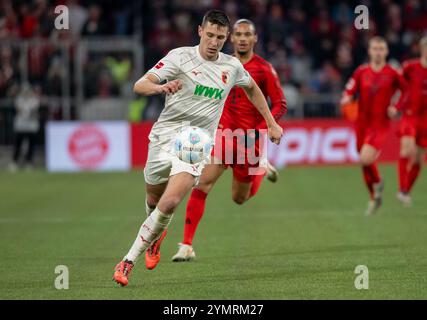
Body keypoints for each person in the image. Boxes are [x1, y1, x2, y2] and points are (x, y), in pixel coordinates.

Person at [112, 10, 283, 287]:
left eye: (220, 37)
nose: (214, 42)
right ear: (200, 31)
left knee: (170, 202)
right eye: (210, 35)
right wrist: (162, 87)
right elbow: (140, 85)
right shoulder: (179, 57)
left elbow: (252, 89)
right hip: (165, 135)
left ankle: (127, 261)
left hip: (196, 140)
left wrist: (271, 123)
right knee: (154, 202)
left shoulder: (231, 67)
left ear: (225, 38)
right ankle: (156, 238)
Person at [152, 19, 286, 264]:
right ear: (231, 38)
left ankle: (261, 170)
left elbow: (280, 103)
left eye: (248, 34)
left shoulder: (264, 69)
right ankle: (187, 245)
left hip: (249, 142)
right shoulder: (221, 64)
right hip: (221, 135)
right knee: (201, 185)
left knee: (239, 199)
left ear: (255, 39)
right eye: (238, 34)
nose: (243, 38)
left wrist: (268, 125)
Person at [340, 36, 406, 215]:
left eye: (381, 49)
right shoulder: (361, 72)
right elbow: (350, 89)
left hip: (380, 125)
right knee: (364, 162)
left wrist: (397, 107)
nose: (378, 52)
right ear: (369, 51)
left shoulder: (393, 73)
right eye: (375, 48)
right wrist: (346, 97)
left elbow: (406, 91)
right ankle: (374, 197)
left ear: (386, 51)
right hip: (361, 124)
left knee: (366, 158)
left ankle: (378, 182)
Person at [396, 36, 427, 206]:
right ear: (422, 50)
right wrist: (397, 104)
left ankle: (406, 190)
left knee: (418, 159)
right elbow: (397, 82)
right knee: (407, 151)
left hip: (426, 119)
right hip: (410, 114)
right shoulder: (410, 67)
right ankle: (402, 188)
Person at [8, 83, 40, 172]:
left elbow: (34, 109)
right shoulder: (19, 99)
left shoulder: (34, 100)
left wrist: (26, 110)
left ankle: (29, 162)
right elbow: (18, 108)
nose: (26, 93)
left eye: (28, 91)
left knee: (31, 145)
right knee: (18, 144)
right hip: (21, 125)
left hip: (31, 126)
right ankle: (14, 162)